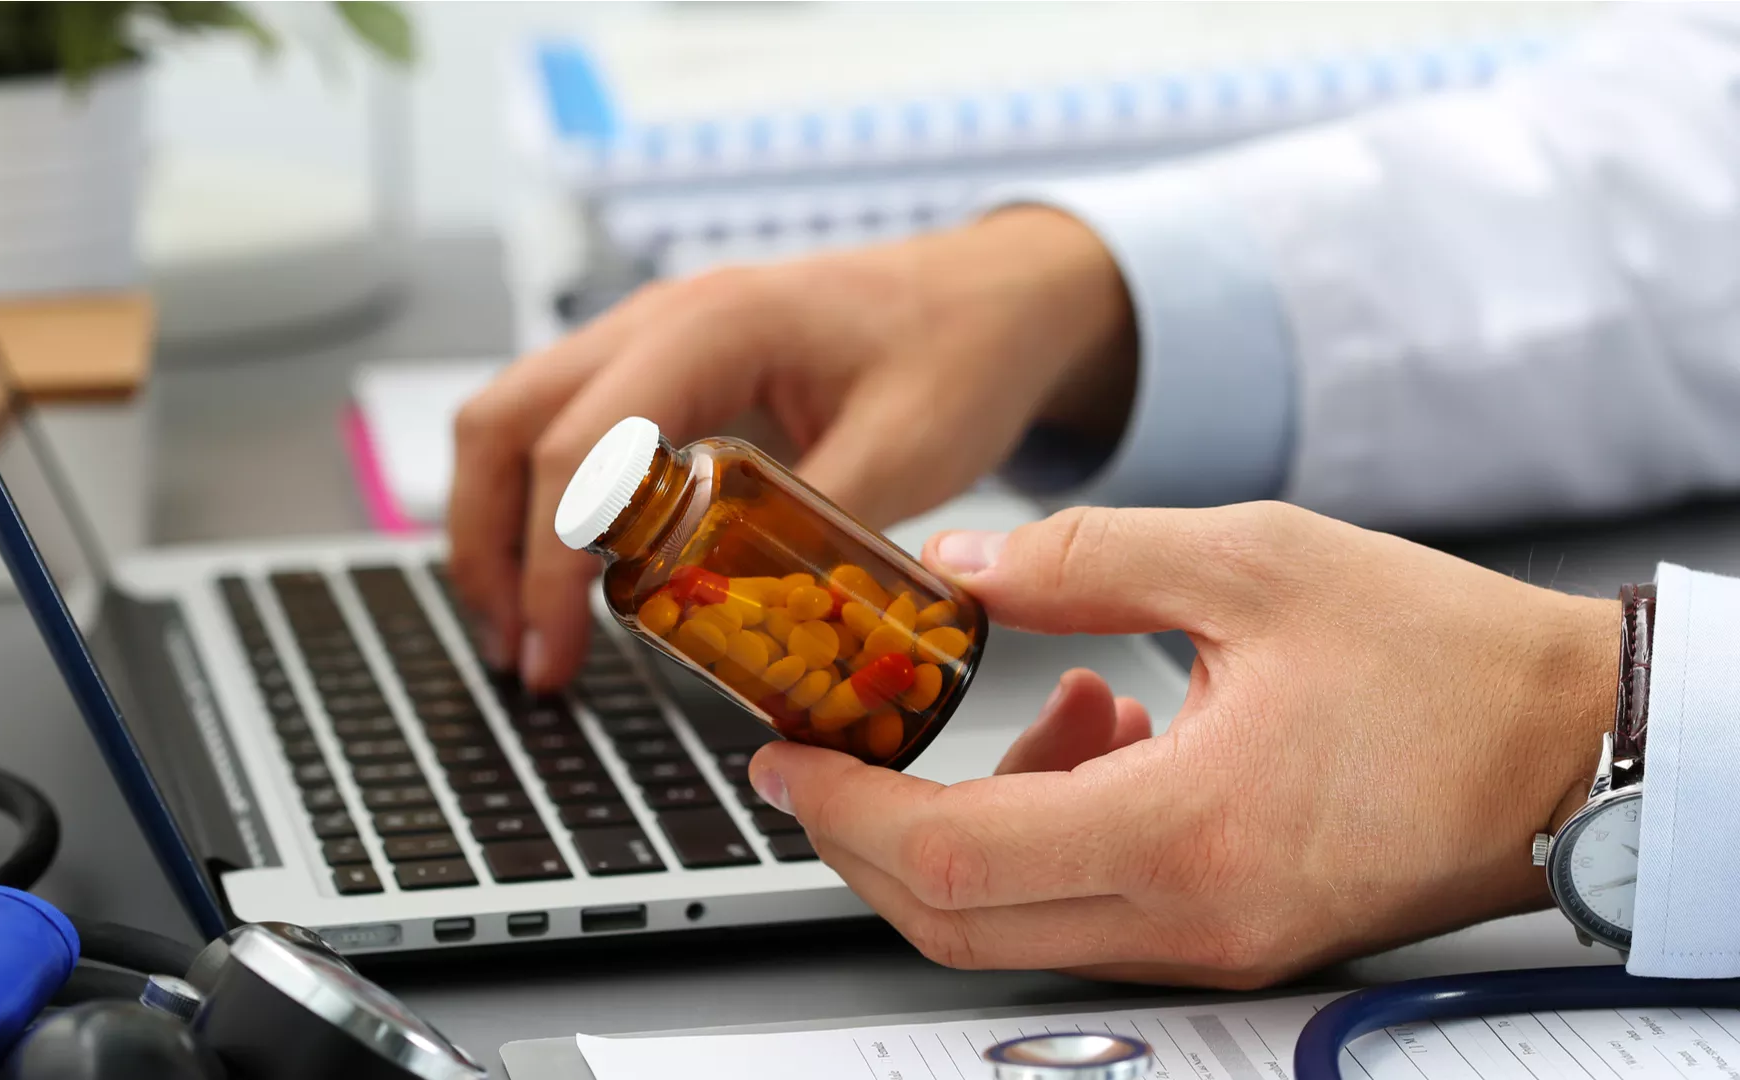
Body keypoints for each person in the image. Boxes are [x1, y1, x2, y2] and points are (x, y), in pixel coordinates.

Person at [446, 4, 1740, 985]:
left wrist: (1590, 732)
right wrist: (1065, 296)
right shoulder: (700, 527)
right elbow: (1690, 168)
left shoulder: (711, 515)